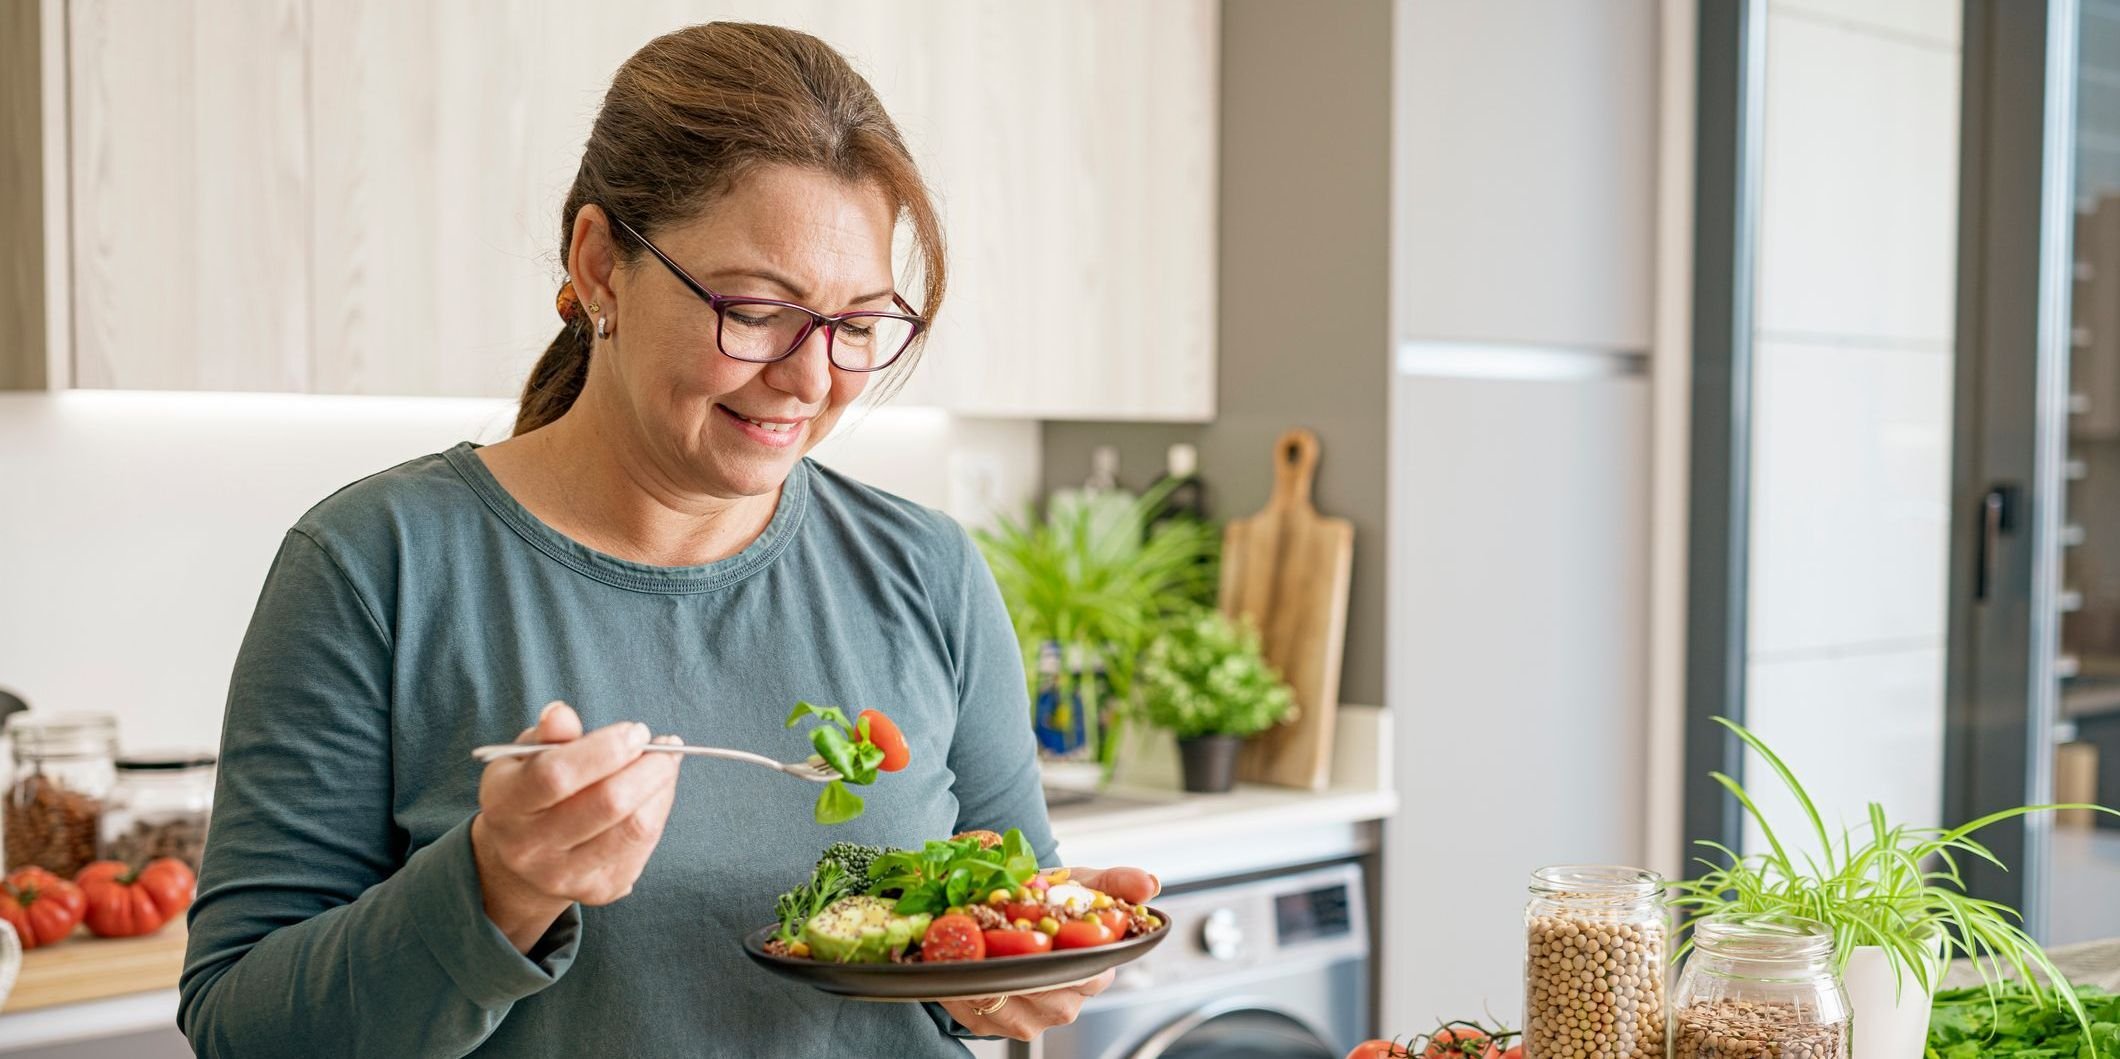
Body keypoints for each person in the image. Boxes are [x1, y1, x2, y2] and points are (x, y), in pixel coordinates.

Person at [178, 22, 1155, 1057]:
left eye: (858, 324)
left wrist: (1012, 974)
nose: (811, 378)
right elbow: (242, 1029)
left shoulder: (927, 570)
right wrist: (495, 890)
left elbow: (1006, 922)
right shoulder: (378, 563)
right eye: (756, 309)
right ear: (600, 266)